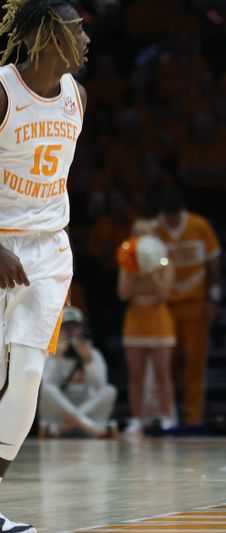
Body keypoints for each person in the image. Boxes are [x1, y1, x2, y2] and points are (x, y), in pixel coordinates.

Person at [0, 1, 89, 530]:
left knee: (30, 372)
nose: (85, 40)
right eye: (75, 31)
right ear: (47, 37)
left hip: (47, 251)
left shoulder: (78, 97)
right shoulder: (4, 90)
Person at [155, 186, 221, 426]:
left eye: (174, 214)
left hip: (195, 304)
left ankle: (193, 417)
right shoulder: (153, 230)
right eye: (167, 215)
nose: (171, 220)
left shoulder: (199, 226)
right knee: (166, 365)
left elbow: (213, 263)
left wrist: (214, 298)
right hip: (165, 307)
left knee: (194, 363)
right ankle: (168, 415)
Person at [117, 221, 177, 436]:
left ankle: (167, 417)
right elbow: (123, 294)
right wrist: (135, 272)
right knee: (136, 375)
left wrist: (150, 272)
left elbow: (164, 294)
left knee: (163, 373)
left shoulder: (164, 260)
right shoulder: (126, 262)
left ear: (153, 236)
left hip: (159, 321)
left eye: (145, 233)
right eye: (136, 233)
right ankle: (137, 418)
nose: (140, 238)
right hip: (135, 321)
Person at [39, 306, 117, 438]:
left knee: (110, 390)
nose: (70, 331)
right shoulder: (51, 354)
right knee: (48, 390)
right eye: (66, 327)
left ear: (82, 328)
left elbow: (100, 386)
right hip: (59, 413)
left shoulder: (93, 353)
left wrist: (88, 361)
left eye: (74, 326)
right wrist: (57, 359)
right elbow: (47, 386)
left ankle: (71, 424)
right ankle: (89, 426)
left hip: (85, 408)